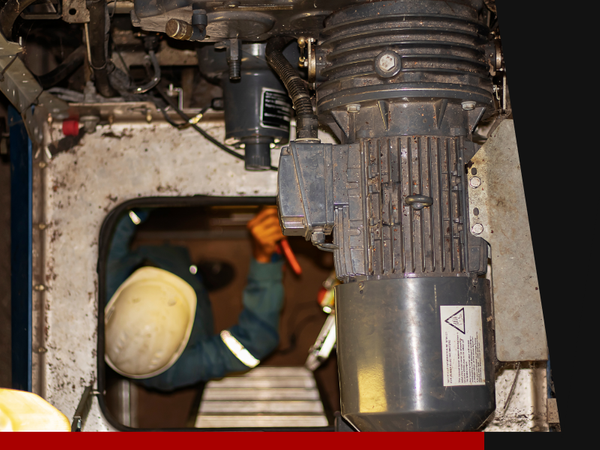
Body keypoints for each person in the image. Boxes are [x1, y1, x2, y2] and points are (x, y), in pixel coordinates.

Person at [104, 206, 285, 392]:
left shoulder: (105, 280)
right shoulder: (175, 371)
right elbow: (256, 340)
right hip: (180, 285)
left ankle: (192, 273)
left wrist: (152, 195)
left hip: (165, 259)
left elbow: (122, 213)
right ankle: (198, 279)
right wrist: (264, 260)